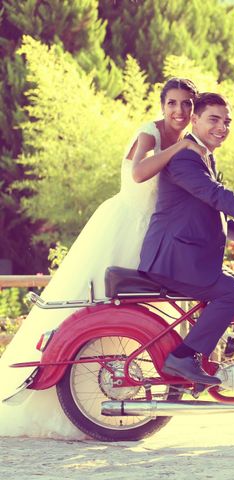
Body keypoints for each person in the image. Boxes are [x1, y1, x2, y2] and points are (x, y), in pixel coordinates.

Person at [0, 78, 203, 439]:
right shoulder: (150, 133)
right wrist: (179, 149)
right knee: (94, 302)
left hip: (156, 231)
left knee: (142, 311)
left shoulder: (191, 141)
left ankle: (113, 395)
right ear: (162, 104)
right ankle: (59, 391)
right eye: (172, 103)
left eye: (187, 104)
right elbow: (139, 173)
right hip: (126, 224)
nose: (179, 111)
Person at [138, 92, 234, 384]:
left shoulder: (202, 155)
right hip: (175, 259)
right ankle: (184, 357)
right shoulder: (185, 156)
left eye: (227, 121)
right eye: (214, 119)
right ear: (195, 120)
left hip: (185, 256)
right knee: (232, 294)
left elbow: (205, 208)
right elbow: (214, 195)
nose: (222, 127)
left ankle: (207, 360)